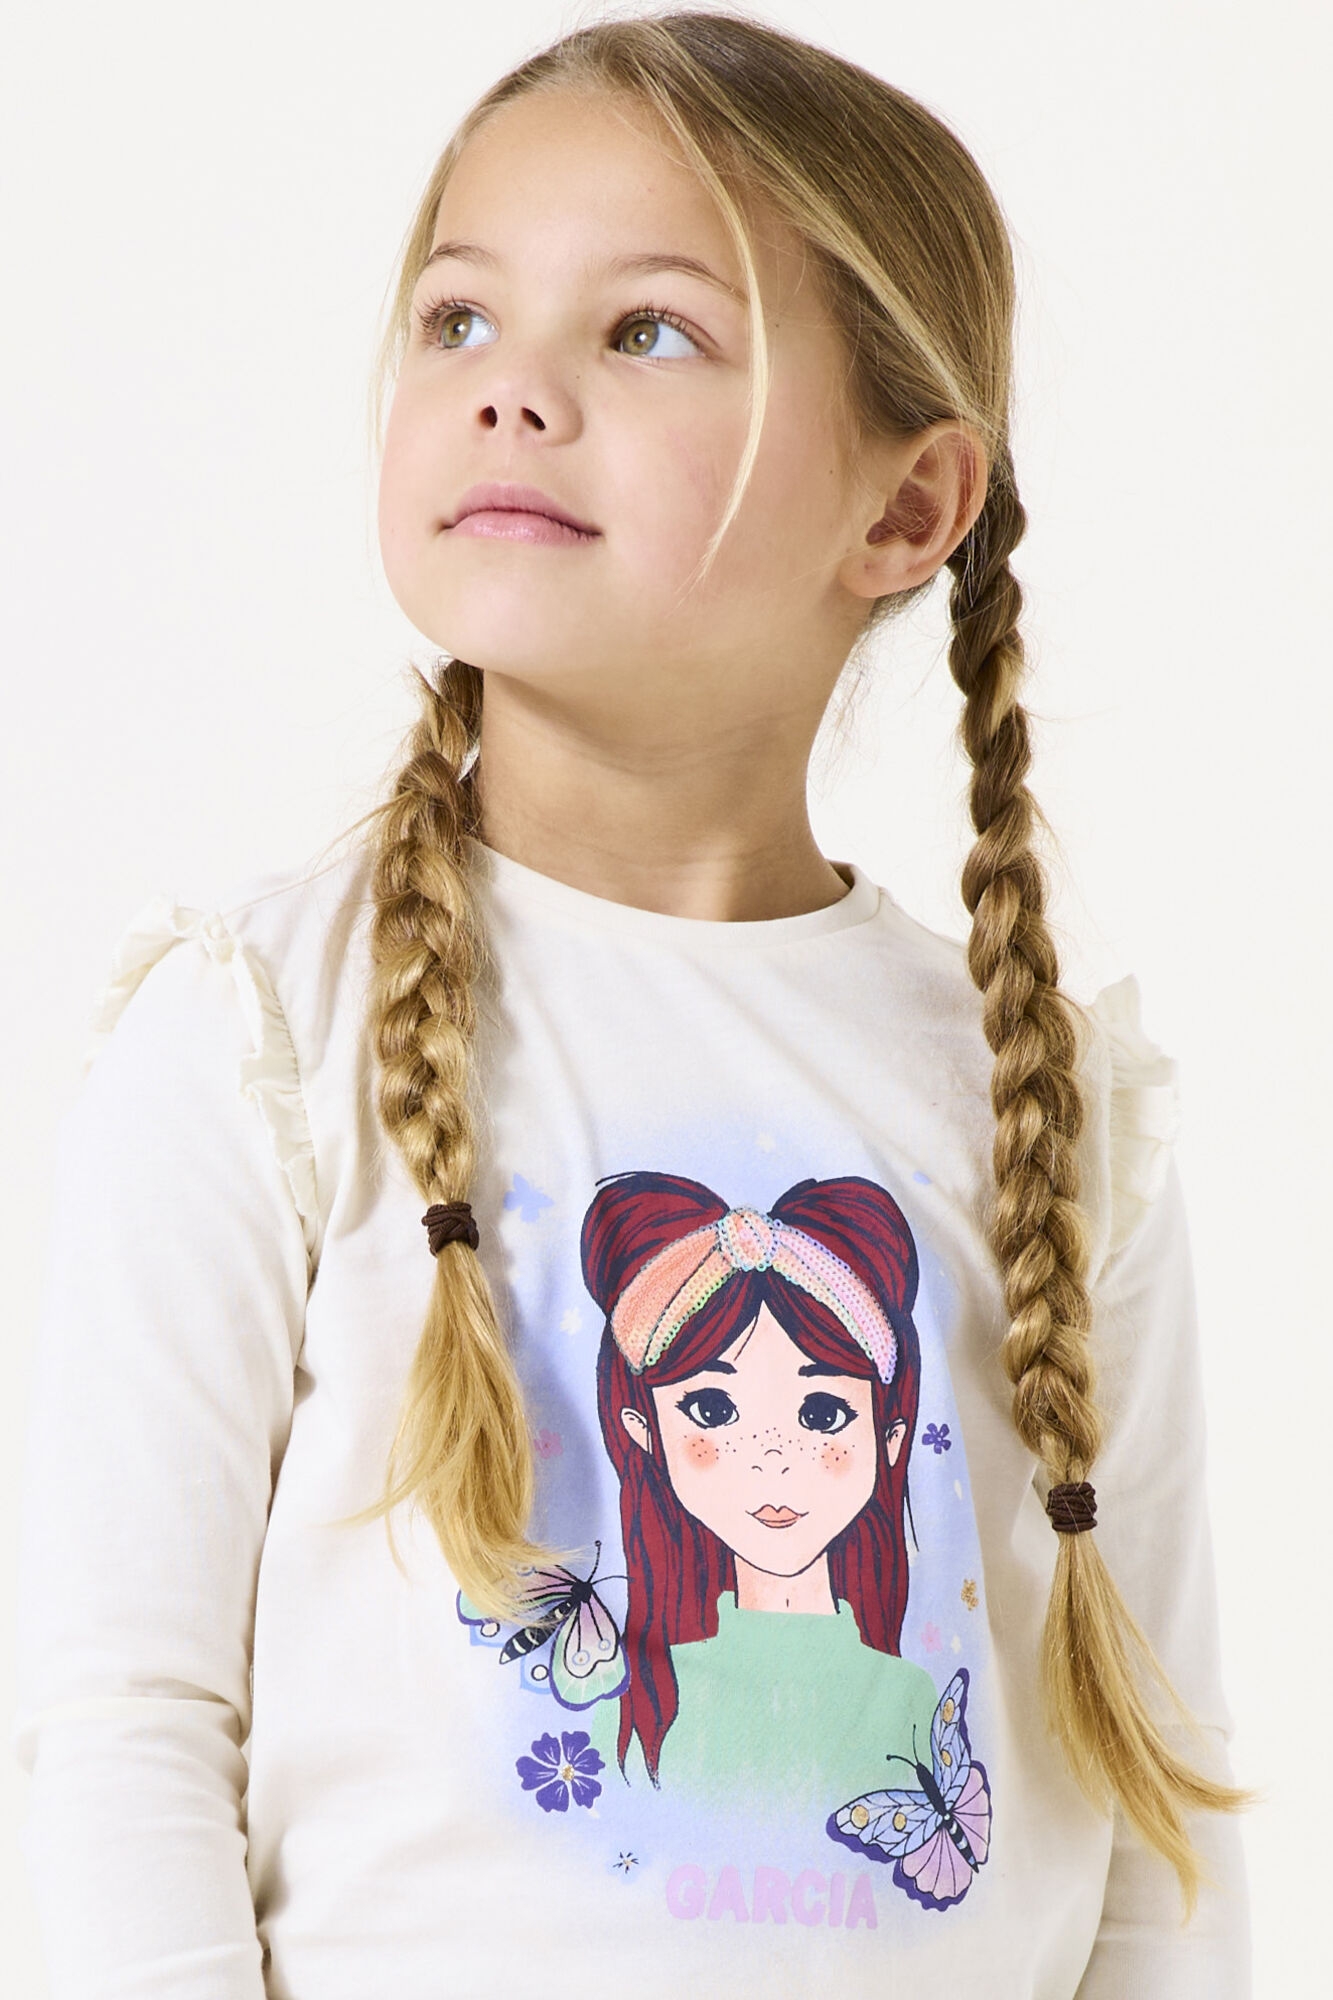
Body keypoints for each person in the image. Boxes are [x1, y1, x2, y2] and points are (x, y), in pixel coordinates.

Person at [14, 10, 1248, 1995]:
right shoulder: (258, 1035)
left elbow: (1155, 1829)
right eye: (458, 320)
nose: (511, 389)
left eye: (648, 330)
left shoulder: (1042, 1105)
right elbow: (120, 1725)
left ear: (905, 508)